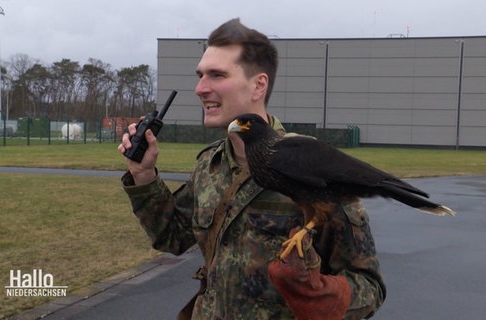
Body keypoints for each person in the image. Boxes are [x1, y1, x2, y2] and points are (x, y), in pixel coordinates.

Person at [118, 18, 385, 320]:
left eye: (216, 75)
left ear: (258, 85)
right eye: (200, 76)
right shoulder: (211, 163)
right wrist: (143, 174)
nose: (200, 88)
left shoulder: (314, 164)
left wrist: (320, 293)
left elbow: (369, 286)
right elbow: (173, 237)